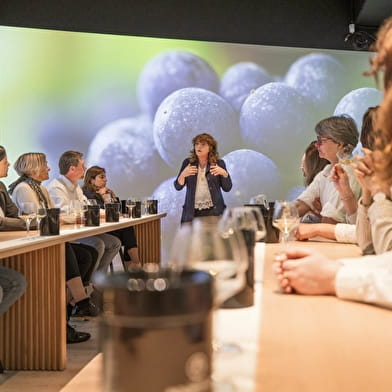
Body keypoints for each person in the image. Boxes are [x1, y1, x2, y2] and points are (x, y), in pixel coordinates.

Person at [274, 16, 392, 309]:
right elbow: (372, 248)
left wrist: (335, 277)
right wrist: (367, 194)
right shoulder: (336, 172)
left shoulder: (352, 169)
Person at [8, 152, 97, 342]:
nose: (49, 168)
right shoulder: (24, 188)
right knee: (69, 252)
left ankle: (70, 310)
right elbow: (39, 219)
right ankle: (79, 303)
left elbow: (52, 215)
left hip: (45, 240)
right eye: (45, 164)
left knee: (88, 254)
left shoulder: (40, 188)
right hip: (32, 245)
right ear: (34, 168)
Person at [47, 151, 121, 273]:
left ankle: (96, 281)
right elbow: (64, 216)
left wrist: (108, 212)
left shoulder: (75, 186)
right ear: (72, 169)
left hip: (79, 231)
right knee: (98, 244)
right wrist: (88, 214)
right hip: (66, 236)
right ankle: (87, 284)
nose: (85, 168)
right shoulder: (56, 188)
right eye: (82, 165)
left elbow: (88, 207)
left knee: (114, 243)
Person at [296, 116, 361, 224]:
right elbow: (301, 204)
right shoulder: (327, 170)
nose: (316, 145)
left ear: (340, 144)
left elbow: (331, 221)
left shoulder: (348, 172)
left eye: (321, 141)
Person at [82, 165, 141, 268]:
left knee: (127, 229)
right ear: (91, 180)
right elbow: (105, 213)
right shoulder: (87, 194)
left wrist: (113, 196)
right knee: (127, 230)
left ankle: (133, 265)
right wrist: (105, 198)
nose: (106, 180)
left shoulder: (101, 192)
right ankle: (135, 264)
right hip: (97, 231)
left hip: (107, 228)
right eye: (102, 177)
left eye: (105, 177)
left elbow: (119, 212)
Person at [174, 133, 232, 223]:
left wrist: (224, 173)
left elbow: (227, 188)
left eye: (203, 144)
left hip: (214, 211)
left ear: (210, 147)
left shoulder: (219, 163)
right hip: (192, 213)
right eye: (196, 144)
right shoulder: (188, 163)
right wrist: (183, 175)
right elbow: (178, 187)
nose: (198, 147)